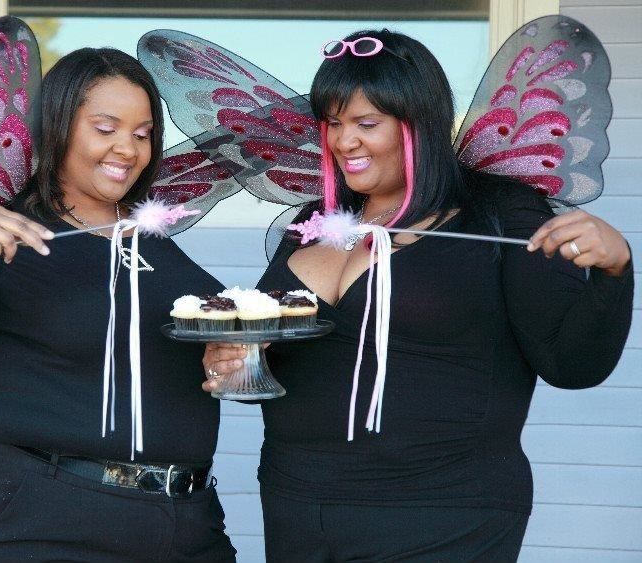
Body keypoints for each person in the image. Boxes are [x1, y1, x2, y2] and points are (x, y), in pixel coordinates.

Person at [202, 29, 633, 561]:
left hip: (441, 509)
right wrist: (237, 362)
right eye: (333, 123)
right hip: (299, 502)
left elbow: (572, 364)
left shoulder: (497, 213)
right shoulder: (315, 221)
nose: (343, 142)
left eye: (366, 123)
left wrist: (614, 271)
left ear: (419, 123)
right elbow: (276, 369)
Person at [0, 47, 236, 562]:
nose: (128, 149)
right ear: (58, 127)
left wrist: (230, 356)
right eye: (105, 128)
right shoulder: (4, 237)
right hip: (37, 518)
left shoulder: (154, 246)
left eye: (143, 133)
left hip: (182, 524)